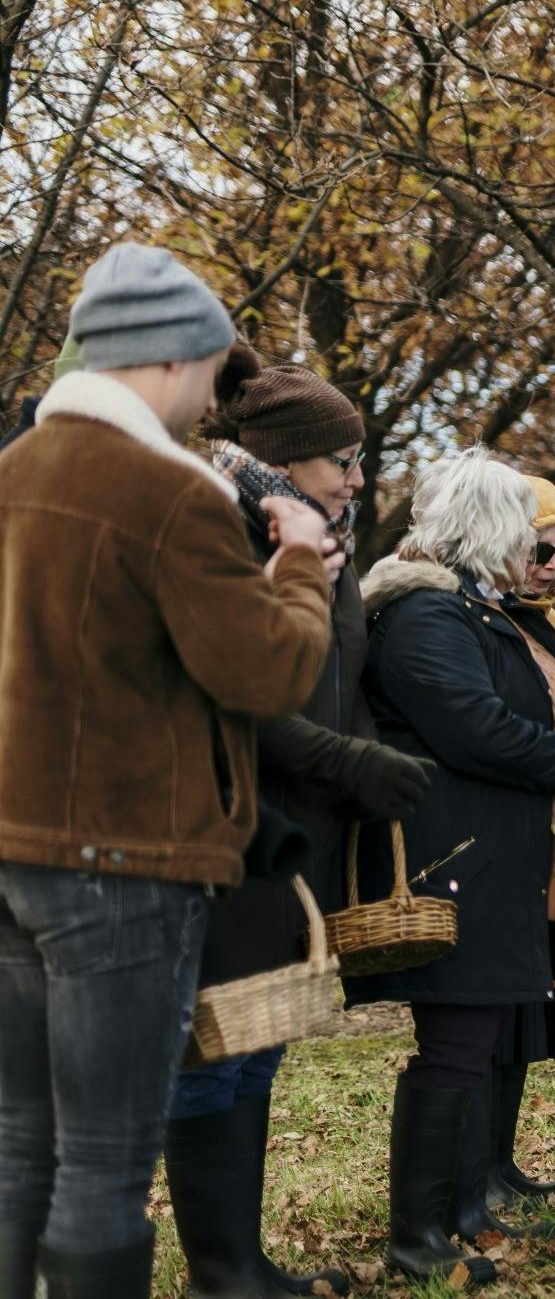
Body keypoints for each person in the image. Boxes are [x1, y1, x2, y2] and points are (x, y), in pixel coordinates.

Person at [0, 244, 334, 1297]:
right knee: (106, 1156)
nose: (206, 404)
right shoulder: (167, 491)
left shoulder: (9, 473)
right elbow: (267, 669)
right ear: (166, 359)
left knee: (19, 1141)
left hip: (10, 852)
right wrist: (298, 564)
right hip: (126, 860)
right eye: (204, 373)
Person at [161, 348, 436, 1299]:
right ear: (283, 455)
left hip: (302, 826)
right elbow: (238, 691)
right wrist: (344, 758)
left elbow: (334, 676)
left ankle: (245, 1262)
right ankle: (219, 1272)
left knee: (261, 1040)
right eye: (343, 458)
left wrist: (365, 761)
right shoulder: (229, 527)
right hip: (233, 822)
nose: (358, 475)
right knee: (219, 1040)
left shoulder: (332, 536)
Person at [351, 450, 555, 1288]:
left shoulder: (472, 609)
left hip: (492, 854)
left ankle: (459, 1214)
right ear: (484, 531)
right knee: (454, 1046)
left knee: (472, 1041)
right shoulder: (427, 617)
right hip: (454, 856)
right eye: (519, 535)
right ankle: (416, 1236)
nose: (534, 554)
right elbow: (475, 727)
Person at [470, 475, 555, 1210]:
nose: (550, 562)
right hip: (505, 840)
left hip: (554, 837)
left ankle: (502, 1162)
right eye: (537, 548)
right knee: (492, 1009)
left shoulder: (554, 622)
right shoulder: (483, 619)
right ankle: (476, 1172)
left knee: (529, 999)